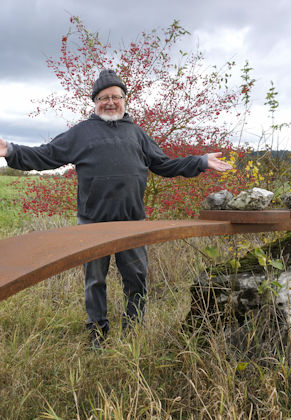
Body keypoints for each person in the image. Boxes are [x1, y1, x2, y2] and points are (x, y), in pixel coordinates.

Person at [0, 69, 232, 348]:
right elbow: (46, 155)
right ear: (95, 102)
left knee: (136, 279)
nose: (110, 102)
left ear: (124, 100)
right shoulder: (80, 133)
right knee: (94, 281)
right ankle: (97, 334)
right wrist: (11, 150)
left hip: (133, 222)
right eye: (103, 97)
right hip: (92, 224)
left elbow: (165, 164)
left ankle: (133, 333)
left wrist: (200, 161)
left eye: (115, 96)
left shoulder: (137, 134)